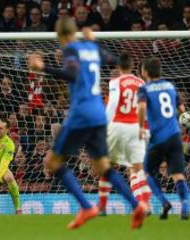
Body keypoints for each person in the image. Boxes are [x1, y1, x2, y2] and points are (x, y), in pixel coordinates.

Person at [28, 17, 147, 229]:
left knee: (52, 162)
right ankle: (136, 204)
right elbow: (112, 59)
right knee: (102, 167)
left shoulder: (71, 49)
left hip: (81, 114)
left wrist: (43, 67)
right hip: (99, 114)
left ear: (60, 36)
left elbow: (72, 74)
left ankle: (86, 206)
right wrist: (94, 42)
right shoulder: (90, 47)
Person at [98, 53, 151, 215]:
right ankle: (145, 204)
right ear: (133, 66)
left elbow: (113, 104)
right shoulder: (141, 82)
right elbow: (144, 107)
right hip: (135, 127)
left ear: (118, 67)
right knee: (137, 168)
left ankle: (102, 207)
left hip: (118, 125)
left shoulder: (115, 81)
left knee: (106, 165)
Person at [137, 57, 190, 220]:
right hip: (175, 136)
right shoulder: (170, 86)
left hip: (158, 138)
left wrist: (140, 127)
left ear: (145, 72)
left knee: (147, 172)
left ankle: (163, 201)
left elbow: (141, 107)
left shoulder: (144, 89)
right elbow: (182, 110)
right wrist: (189, 122)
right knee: (178, 175)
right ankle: (186, 205)